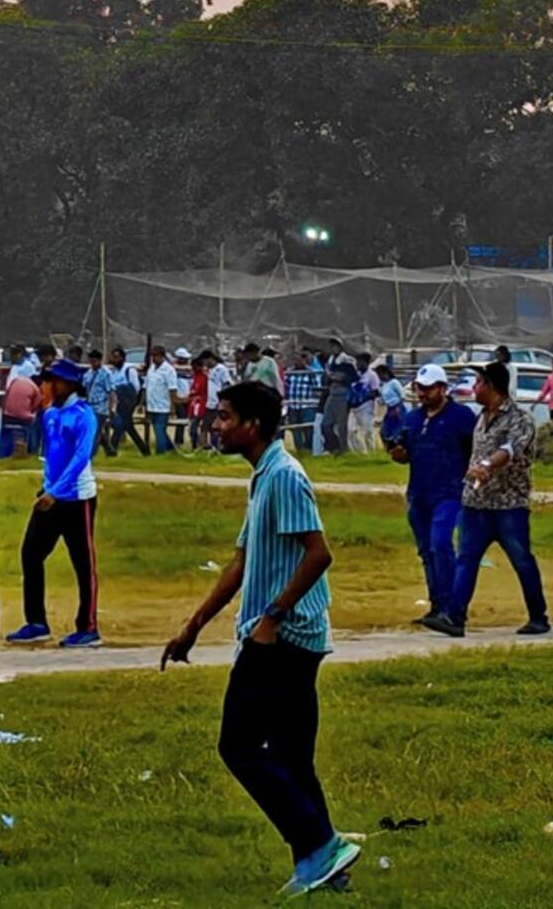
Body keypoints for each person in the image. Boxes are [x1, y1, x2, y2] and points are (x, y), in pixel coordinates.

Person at [160, 379, 359, 897]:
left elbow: (319, 554)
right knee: (292, 759)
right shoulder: (263, 477)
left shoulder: (286, 477)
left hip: (284, 638)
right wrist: (193, 626)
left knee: (239, 745)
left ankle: (321, 844)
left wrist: (271, 617)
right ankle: (325, 869)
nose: (216, 424)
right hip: (282, 633)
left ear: (253, 424)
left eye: (225, 416)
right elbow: (242, 562)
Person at [431, 360, 548, 637]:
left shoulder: (520, 419)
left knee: (522, 560)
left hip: (508, 505)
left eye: (479, 382)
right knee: (466, 559)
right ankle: (454, 617)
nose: (474, 387)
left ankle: (538, 617)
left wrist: (487, 465)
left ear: (493, 386)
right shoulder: (481, 417)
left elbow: (510, 449)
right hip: (476, 503)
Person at [5, 358, 102, 648]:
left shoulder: (84, 415)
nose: (45, 385)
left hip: (77, 498)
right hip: (51, 496)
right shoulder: (50, 414)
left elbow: (81, 458)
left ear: (68, 384)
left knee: (83, 564)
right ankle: (36, 621)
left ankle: (88, 626)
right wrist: (47, 488)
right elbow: (53, 456)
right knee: (31, 554)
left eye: (51, 381)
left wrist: (56, 492)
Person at [386, 362, 475, 627]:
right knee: (426, 551)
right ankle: (436, 605)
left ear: (442, 388)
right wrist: (398, 455)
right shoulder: (413, 418)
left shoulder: (462, 416)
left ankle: (452, 607)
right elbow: (405, 452)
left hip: (449, 492)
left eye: (428, 389)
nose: (422, 394)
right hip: (419, 493)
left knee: (441, 545)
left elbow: (473, 450)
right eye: (419, 388)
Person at [0, 364, 39, 459]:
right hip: (23, 419)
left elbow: (6, 396)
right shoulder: (35, 389)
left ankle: (0, 454)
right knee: (34, 422)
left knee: (5, 434)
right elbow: (35, 407)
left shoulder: (14, 381)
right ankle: (32, 450)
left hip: (7, 415)